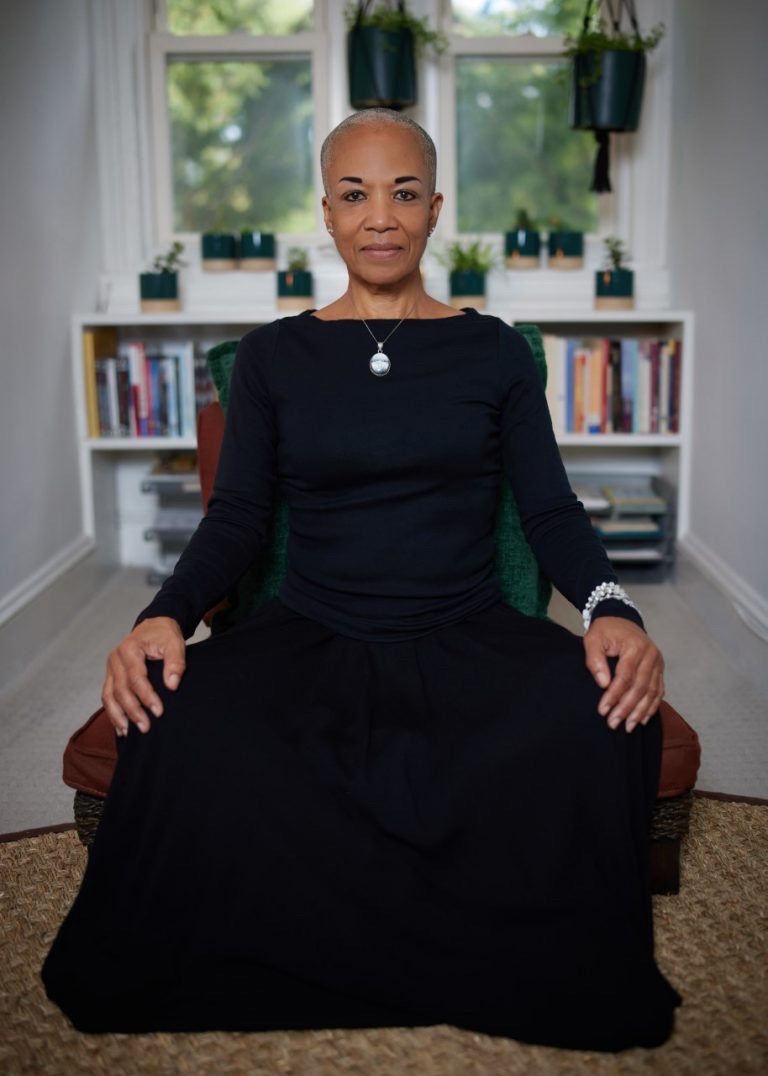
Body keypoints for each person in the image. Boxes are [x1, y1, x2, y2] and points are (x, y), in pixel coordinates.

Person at [43, 109, 680, 1050]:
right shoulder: (273, 357)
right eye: (355, 195)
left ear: (435, 210)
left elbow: (550, 511)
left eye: (403, 193)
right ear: (328, 215)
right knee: (169, 717)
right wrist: (163, 613)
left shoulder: (495, 352)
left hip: (465, 628)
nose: (380, 216)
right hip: (312, 629)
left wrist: (610, 607)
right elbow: (238, 517)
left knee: (610, 713)